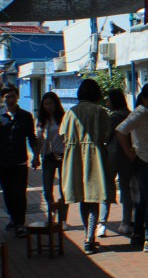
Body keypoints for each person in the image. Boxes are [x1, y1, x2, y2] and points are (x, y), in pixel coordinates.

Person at [60, 79, 114, 255]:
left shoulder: (70, 113)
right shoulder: (99, 111)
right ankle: (89, 239)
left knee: (83, 198)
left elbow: (63, 135)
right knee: (94, 197)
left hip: (74, 159)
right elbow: (107, 134)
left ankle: (87, 236)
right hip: (94, 157)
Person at [116, 83, 148, 253]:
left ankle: (138, 234)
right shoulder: (140, 112)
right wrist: (129, 153)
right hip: (144, 161)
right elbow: (121, 130)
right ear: (144, 98)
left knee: (144, 201)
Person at [0, 85, 38, 238]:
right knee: (7, 194)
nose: (10, 99)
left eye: (13, 96)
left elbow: (32, 137)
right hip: (3, 162)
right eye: (7, 97)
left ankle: (20, 224)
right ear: (2, 98)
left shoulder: (26, 116)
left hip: (20, 162)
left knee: (19, 193)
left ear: (17, 97)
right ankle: (13, 218)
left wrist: (36, 156)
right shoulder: (0, 115)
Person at [98, 90, 133, 237]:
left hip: (112, 156)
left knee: (107, 188)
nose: (107, 103)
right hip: (127, 156)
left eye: (109, 100)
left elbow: (106, 136)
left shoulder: (113, 118)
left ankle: (102, 223)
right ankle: (126, 222)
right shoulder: (130, 115)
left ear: (114, 101)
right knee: (126, 189)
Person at [32, 92, 68, 229]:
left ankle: (63, 219)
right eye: (45, 104)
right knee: (47, 188)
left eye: (50, 103)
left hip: (62, 155)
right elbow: (39, 139)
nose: (48, 106)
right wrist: (36, 156)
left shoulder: (63, 118)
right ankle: (52, 210)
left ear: (56, 103)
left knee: (64, 189)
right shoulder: (41, 120)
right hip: (48, 157)